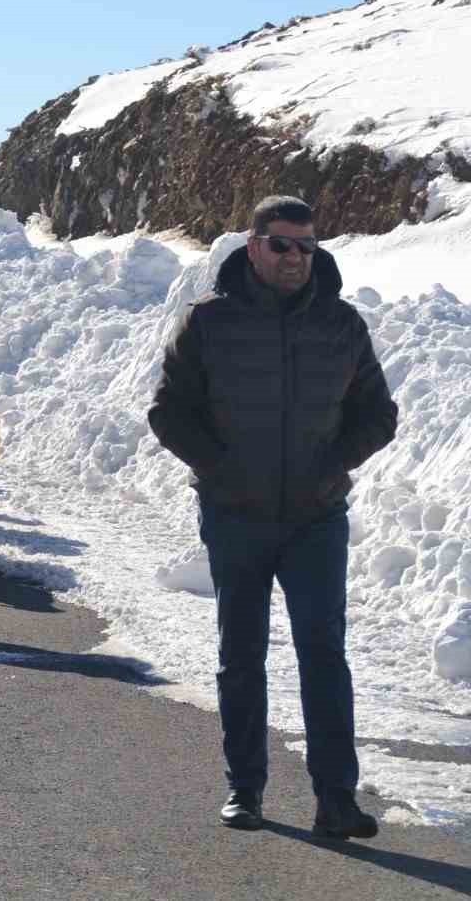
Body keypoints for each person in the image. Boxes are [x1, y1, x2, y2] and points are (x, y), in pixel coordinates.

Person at [148, 195, 397, 839]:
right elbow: (169, 412)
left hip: (317, 518)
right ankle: (245, 789)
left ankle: (336, 800)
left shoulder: (341, 324)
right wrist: (220, 471)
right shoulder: (210, 322)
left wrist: (334, 466)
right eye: (282, 244)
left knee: (324, 653)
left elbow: (379, 414)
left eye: (306, 247)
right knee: (241, 653)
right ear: (254, 245)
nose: (295, 258)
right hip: (237, 517)